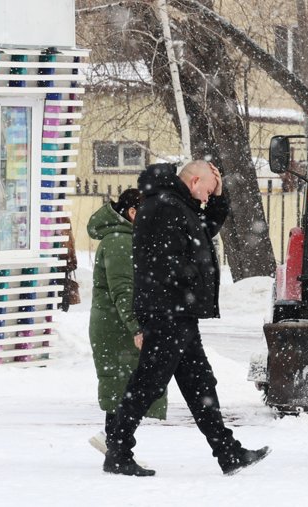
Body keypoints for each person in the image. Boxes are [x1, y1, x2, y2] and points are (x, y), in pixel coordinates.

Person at [103, 160, 270, 477]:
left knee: (199, 384)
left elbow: (204, 230)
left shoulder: (177, 204)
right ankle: (118, 451)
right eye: (208, 189)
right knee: (148, 383)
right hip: (167, 311)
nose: (208, 196)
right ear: (194, 181)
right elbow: (167, 261)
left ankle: (227, 452)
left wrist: (219, 197)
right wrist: (196, 275)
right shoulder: (165, 206)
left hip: (178, 311)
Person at [87, 189, 167, 457]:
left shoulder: (128, 239)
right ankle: (116, 445)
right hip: (117, 327)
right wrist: (136, 326)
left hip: (119, 324)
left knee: (126, 386)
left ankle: (114, 442)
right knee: (125, 386)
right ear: (133, 213)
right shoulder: (120, 242)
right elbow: (123, 290)